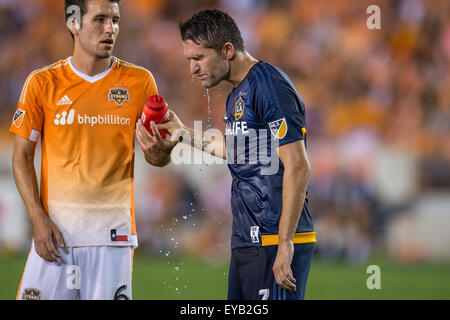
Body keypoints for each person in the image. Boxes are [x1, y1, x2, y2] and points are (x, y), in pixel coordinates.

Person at [10, 0, 175, 300]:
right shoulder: (42, 83)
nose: (110, 28)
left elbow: (156, 157)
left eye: (115, 20)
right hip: (55, 237)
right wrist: (37, 218)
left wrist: (161, 150)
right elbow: (21, 156)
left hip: (113, 239)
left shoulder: (140, 82)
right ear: (74, 22)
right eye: (100, 19)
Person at [157, 9, 316, 300]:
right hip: (248, 239)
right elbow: (239, 152)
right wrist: (183, 133)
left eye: (199, 58)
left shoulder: (269, 86)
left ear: (227, 50)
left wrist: (285, 242)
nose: (192, 69)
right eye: (189, 60)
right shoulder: (236, 95)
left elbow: (298, 166)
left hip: (273, 238)